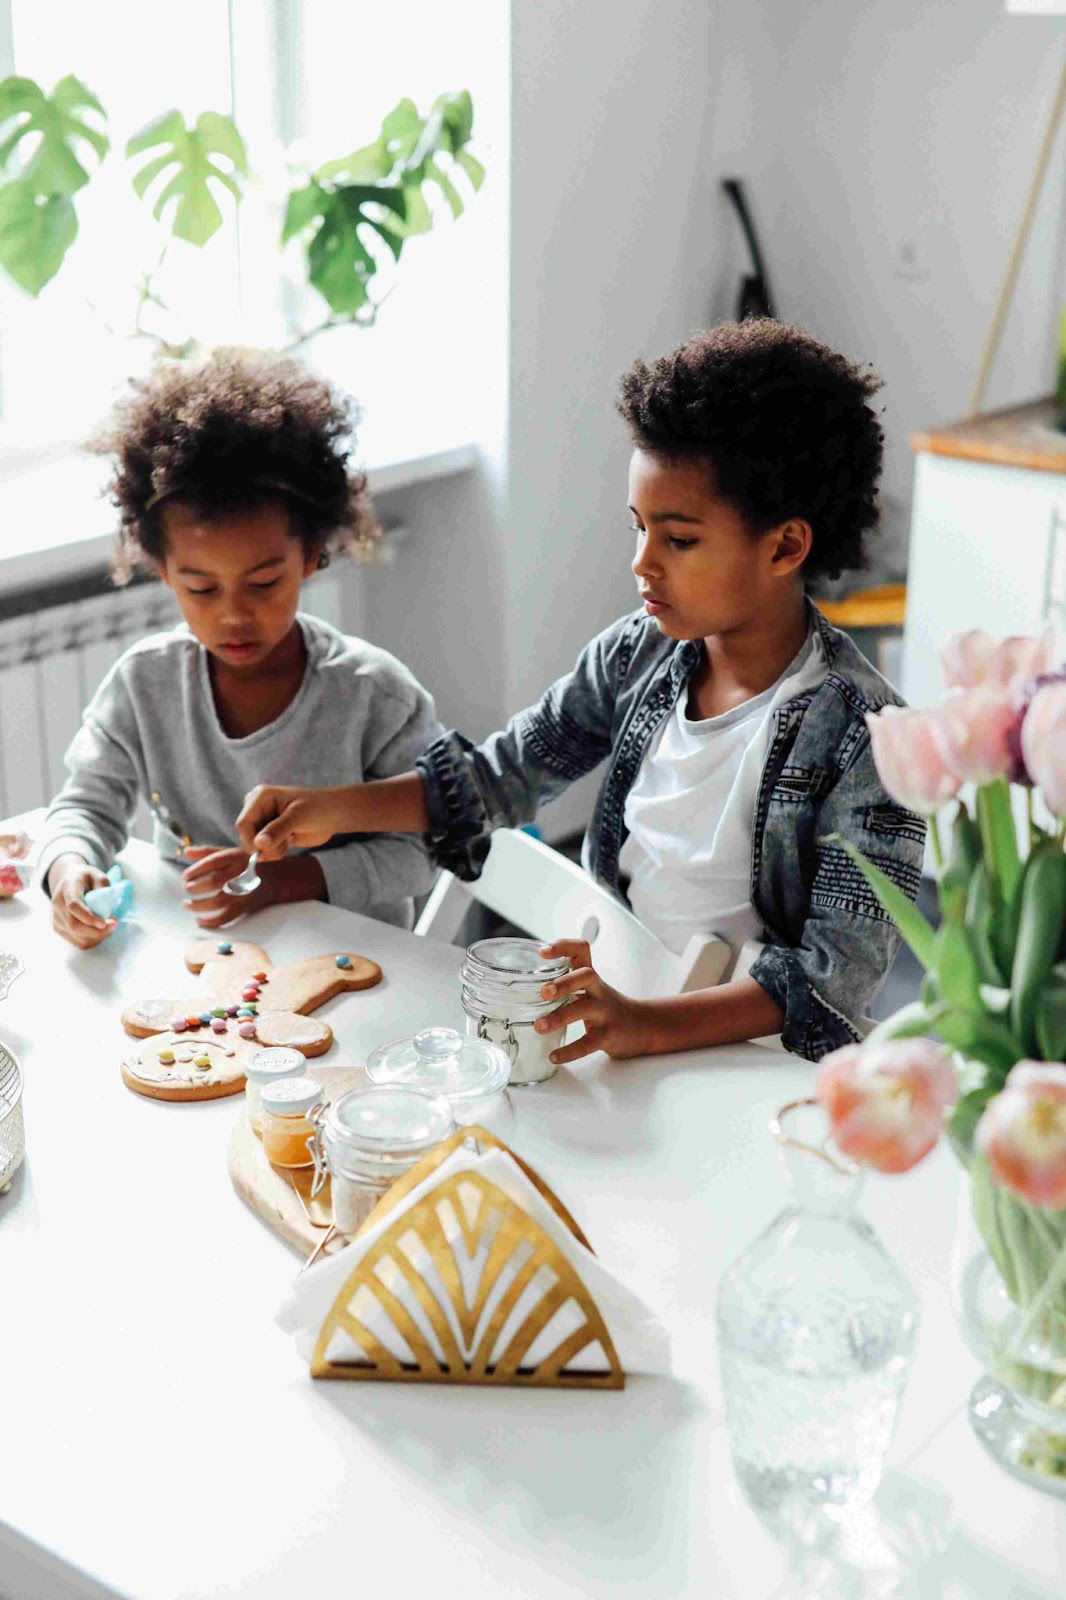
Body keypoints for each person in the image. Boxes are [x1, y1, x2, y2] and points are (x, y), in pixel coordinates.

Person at [234, 320, 926, 1063]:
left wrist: (646, 1024)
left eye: (679, 540)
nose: (642, 564)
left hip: (754, 1063)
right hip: (620, 1014)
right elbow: (502, 776)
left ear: (785, 546)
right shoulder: (640, 653)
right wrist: (332, 808)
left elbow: (833, 984)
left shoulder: (870, 739)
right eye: (639, 529)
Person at [40, 347, 442, 949]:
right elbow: (83, 806)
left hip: (357, 972)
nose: (233, 614)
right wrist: (67, 870)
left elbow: (428, 849)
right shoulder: (145, 683)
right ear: (163, 570)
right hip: (204, 970)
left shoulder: (374, 695)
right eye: (201, 587)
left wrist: (291, 879)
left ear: (310, 555)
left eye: (263, 583)